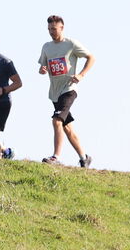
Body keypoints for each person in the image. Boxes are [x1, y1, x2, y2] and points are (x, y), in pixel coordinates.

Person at [38, 15, 95, 167]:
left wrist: (81, 74)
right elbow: (42, 68)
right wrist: (43, 70)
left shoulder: (71, 44)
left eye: (54, 29)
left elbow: (91, 57)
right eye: (49, 29)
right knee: (67, 127)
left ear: (62, 28)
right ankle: (84, 158)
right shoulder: (46, 47)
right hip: (54, 93)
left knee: (56, 121)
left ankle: (55, 157)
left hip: (69, 89)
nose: (51, 32)